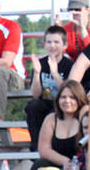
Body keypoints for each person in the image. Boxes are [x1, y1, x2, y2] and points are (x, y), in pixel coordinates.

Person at [24, 25, 75, 158]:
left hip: (63, 104)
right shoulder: (41, 63)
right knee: (32, 106)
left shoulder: (70, 65)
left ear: (64, 45)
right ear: (45, 44)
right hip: (45, 103)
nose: (52, 46)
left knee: (56, 112)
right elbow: (35, 94)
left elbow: (69, 91)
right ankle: (36, 148)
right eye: (49, 42)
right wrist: (36, 73)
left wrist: (55, 73)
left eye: (56, 42)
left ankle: (54, 148)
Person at [36, 80, 87, 170]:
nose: (67, 101)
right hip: (58, 166)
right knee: (39, 165)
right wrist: (66, 162)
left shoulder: (84, 116)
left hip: (81, 167)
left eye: (72, 97)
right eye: (63, 97)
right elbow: (43, 150)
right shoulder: (51, 119)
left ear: (79, 99)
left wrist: (73, 165)